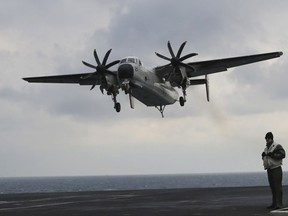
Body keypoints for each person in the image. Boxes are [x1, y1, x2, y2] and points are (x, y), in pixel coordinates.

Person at [262, 132, 286, 210]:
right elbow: (267, 158)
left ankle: (279, 204)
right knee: (272, 187)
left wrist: (273, 155)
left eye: (268, 138)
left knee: (277, 187)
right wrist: (263, 156)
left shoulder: (277, 146)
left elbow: (283, 154)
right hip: (269, 169)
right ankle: (274, 203)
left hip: (276, 168)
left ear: (271, 138)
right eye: (266, 138)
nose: (266, 140)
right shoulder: (266, 148)